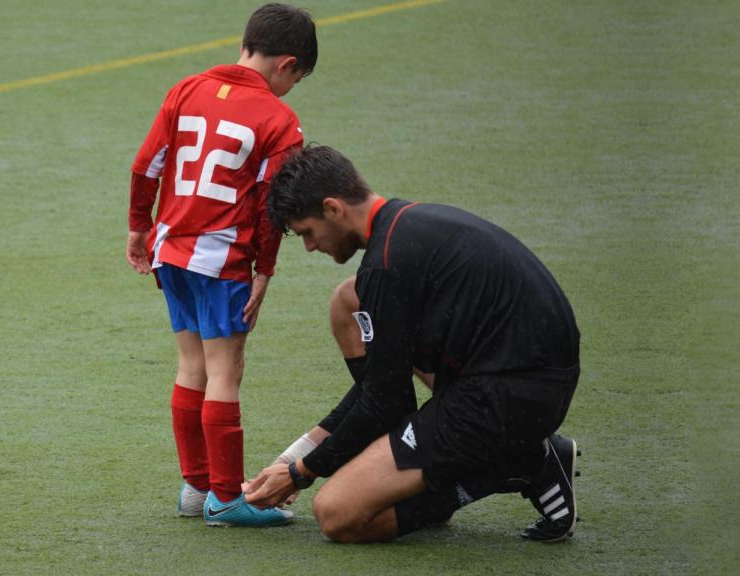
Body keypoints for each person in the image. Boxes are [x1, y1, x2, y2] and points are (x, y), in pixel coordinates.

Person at [245, 145, 582, 543]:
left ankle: (513, 465)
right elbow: (380, 390)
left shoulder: (386, 267)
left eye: (307, 233)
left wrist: (302, 473)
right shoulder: (405, 226)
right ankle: (474, 454)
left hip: (505, 398)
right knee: (348, 301)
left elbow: (385, 402)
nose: (310, 246)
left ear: (333, 209)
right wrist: (292, 458)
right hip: (528, 377)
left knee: (338, 514)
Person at [125, 4, 318, 527]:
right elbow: (269, 206)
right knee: (224, 371)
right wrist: (265, 271)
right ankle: (227, 498)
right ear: (288, 64)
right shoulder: (278, 120)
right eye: (295, 79)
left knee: (191, 366)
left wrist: (139, 227)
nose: (290, 90)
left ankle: (195, 488)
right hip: (222, 258)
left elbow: (147, 164)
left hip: (171, 249)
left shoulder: (186, 88)